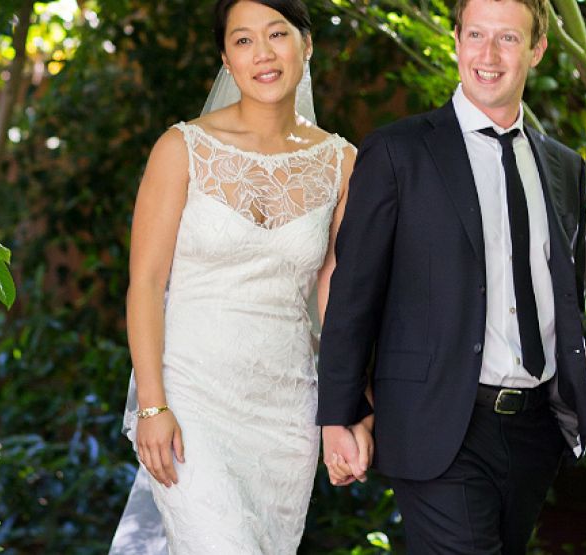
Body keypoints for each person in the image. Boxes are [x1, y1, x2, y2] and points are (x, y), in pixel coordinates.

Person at [316, 0, 586, 552]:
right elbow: (353, 295)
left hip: (536, 429)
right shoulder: (399, 153)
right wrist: (341, 415)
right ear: (457, 41)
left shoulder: (564, 167)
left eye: (508, 39)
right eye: (475, 35)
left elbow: (566, 294)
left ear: (537, 49)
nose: (488, 55)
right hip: (442, 426)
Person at [117, 0, 355, 552]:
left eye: (277, 34)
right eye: (243, 40)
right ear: (226, 56)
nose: (263, 53)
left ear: (307, 44)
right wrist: (152, 405)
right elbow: (146, 284)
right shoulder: (181, 149)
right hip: (192, 403)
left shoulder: (343, 164)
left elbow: (336, 299)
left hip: (285, 414)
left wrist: (345, 409)